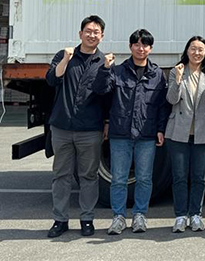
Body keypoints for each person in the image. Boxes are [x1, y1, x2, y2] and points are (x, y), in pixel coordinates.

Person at [92, 29, 171, 235]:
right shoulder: (117, 71)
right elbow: (101, 91)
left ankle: (139, 216)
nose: (140, 48)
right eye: (137, 44)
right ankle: (118, 217)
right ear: (130, 47)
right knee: (119, 178)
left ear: (150, 48)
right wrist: (105, 69)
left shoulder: (157, 74)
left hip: (147, 134)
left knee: (144, 178)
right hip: (121, 133)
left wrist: (161, 129)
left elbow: (162, 106)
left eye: (145, 45)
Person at [45, 15, 108, 238]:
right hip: (62, 127)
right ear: (80, 34)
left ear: (102, 36)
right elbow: (52, 80)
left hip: (90, 130)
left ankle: (87, 219)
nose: (92, 35)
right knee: (61, 175)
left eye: (96, 32)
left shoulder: (103, 62)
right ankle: (60, 220)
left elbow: (106, 95)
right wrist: (65, 59)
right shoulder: (65, 56)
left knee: (88, 176)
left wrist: (106, 123)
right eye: (88, 31)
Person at [165, 36, 205, 233]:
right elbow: (171, 99)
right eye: (193, 48)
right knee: (179, 176)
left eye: (200, 49)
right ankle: (181, 216)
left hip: (203, 132)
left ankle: (196, 214)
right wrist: (178, 80)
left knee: (199, 176)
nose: (197, 53)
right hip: (178, 131)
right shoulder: (177, 71)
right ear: (187, 50)